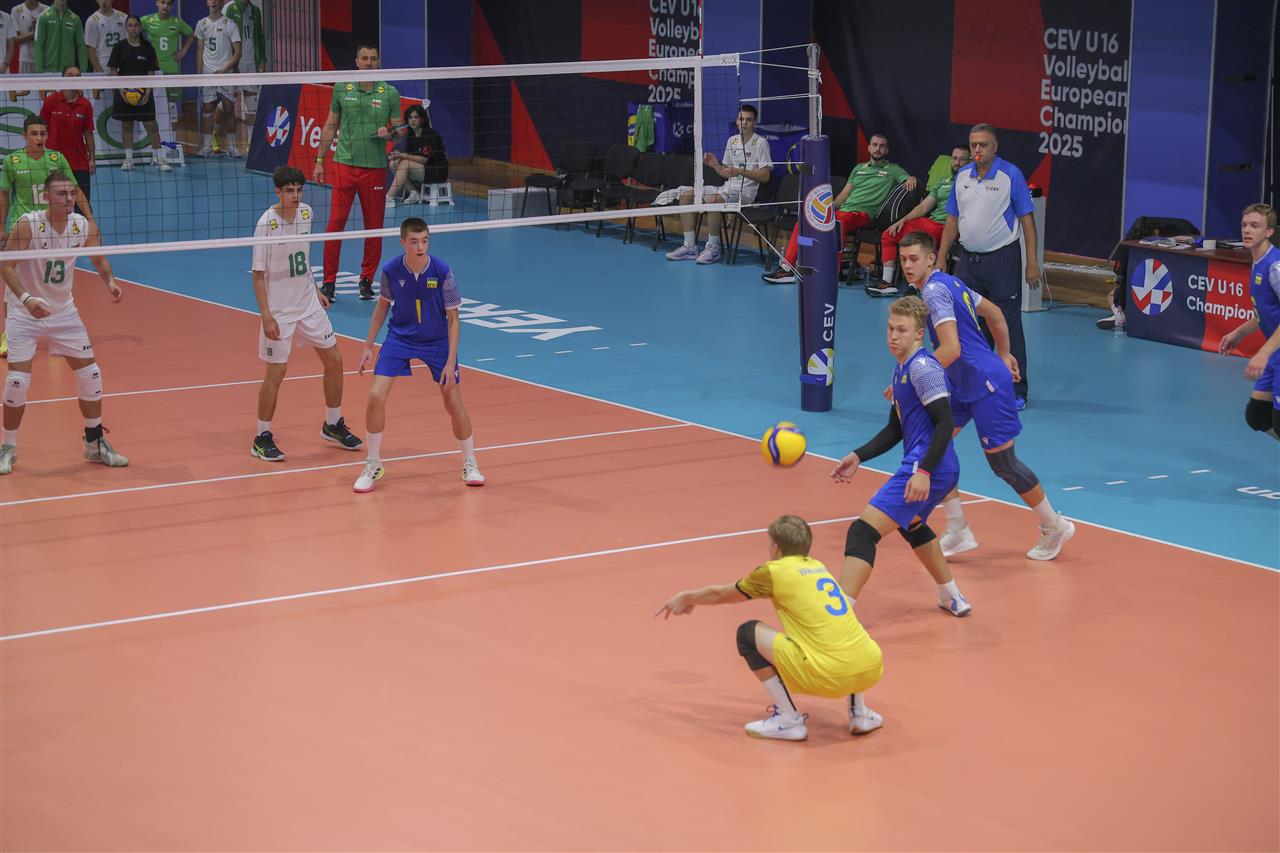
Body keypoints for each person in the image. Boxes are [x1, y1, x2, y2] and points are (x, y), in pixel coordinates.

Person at [901, 230, 1075, 560]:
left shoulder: (935, 292)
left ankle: (1054, 526)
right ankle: (958, 529)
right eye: (903, 260)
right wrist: (1005, 353)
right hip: (960, 383)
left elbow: (950, 349)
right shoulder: (950, 283)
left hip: (985, 384)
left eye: (914, 259)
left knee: (1003, 464)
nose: (907, 266)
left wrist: (910, 376)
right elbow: (994, 312)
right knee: (931, 445)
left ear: (931, 259)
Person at [656, 514, 884, 742]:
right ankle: (860, 713)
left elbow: (722, 594)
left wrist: (687, 597)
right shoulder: (818, 567)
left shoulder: (773, 572)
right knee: (841, 631)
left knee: (747, 633)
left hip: (829, 676)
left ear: (775, 547)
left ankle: (788, 720)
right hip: (871, 667)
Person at [830, 295, 972, 616]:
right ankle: (951, 596)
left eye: (902, 330)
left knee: (862, 532)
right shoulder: (901, 369)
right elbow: (895, 429)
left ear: (920, 334)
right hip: (934, 466)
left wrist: (924, 472)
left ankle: (841, 613)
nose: (893, 336)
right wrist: (858, 456)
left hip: (928, 466)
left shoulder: (923, 368)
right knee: (913, 525)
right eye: (890, 329)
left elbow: (945, 421)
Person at [0, 172, 127, 475]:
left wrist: (109, 281)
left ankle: (94, 443)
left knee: (91, 374)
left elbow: (98, 257)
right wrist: (27, 299)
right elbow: (6, 265)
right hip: (24, 311)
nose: (69, 199)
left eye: (71, 193)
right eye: (61, 194)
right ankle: (7, 447)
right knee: (17, 382)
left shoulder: (81, 225)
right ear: (46, 197)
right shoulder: (28, 224)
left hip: (64, 313)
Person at [353, 218, 484, 493]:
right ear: (403, 242)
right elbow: (382, 308)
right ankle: (373, 463)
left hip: (436, 341)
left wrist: (450, 360)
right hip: (400, 338)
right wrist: (368, 346)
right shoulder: (390, 270)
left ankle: (470, 462)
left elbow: (454, 319)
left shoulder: (442, 270)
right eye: (414, 242)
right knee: (375, 396)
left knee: (452, 400)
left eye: (424, 241)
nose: (420, 247)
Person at [250, 166, 362, 462]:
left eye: (299, 189)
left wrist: (314, 289)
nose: (296, 195)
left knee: (335, 360)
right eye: (289, 191)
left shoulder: (306, 213)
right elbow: (258, 276)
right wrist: (266, 316)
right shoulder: (266, 224)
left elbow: (302, 258)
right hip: (280, 311)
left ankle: (332, 424)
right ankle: (261, 437)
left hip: (308, 304)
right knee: (276, 372)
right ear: (278, 192)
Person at [937, 123, 1039, 409]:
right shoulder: (962, 177)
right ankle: (974, 385)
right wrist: (942, 255)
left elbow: (1027, 221)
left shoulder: (1011, 175)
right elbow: (952, 220)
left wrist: (1032, 262)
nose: (977, 149)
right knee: (970, 326)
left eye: (983, 144)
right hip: (968, 262)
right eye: (973, 145)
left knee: (1008, 326)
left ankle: (1017, 390)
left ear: (995, 147)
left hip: (1003, 261)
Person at [763, 132, 915, 285]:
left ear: (887, 150)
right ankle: (786, 269)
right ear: (869, 148)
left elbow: (909, 179)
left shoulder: (893, 169)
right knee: (803, 223)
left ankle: (831, 275)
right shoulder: (858, 168)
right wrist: (827, 210)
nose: (878, 149)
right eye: (875, 145)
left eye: (882, 146)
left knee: (837, 223)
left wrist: (911, 178)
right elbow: (843, 195)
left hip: (864, 215)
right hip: (843, 211)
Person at [314, 43, 401, 302]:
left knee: (373, 227)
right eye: (365, 58)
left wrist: (390, 133)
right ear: (357, 61)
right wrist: (319, 160)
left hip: (374, 169)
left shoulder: (389, 92)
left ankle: (366, 279)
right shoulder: (342, 87)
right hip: (344, 165)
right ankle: (328, 282)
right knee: (335, 225)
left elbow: (400, 131)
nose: (369, 62)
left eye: (373, 58)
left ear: (379, 62)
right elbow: (330, 126)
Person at [665, 103, 771, 266]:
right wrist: (715, 165)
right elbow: (726, 173)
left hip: (746, 193)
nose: (744, 123)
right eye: (741, 119)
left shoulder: (761, 143)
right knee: (687, 196)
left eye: (748, 120)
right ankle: (690, 246)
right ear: (737, 121)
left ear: (754, 123)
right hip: (727, 188)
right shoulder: (732, 141)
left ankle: (713, 248)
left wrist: (740, 171)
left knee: (714, 200)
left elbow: (765, 176)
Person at [1218, 203, 1280, 441]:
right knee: (1257, 417)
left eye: (1255, 226)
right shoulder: (1257, 262)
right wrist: (1239, 332)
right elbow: (1265, 312)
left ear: (1269, 231)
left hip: (1273, 352)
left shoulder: (1275, 266)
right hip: (1275, 353)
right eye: (1244, 225)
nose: (1247, 230)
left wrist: (1262, 354)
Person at [880, 146, 970, 291]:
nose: (957, 163)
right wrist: (902, 220)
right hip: (929, 223)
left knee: (920, 243)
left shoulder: (972, 184)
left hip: (948, 227)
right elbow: (923, 207)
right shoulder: (943, 182)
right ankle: (886, 282)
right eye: (954, 158)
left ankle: (915, 284)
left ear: (970, 162)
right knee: (889, 233)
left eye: (962, 159)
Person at [107, 16, 171, 173]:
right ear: (126, 28)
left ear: (140, 28)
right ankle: (129, 160)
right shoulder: (119, 47)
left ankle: (159, 158)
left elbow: (151, 72)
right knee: (126, 125)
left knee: (151, 126)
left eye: (136, 25)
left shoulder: (148, 48)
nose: (133, 28)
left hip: (144, 94)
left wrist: (148, 92)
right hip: (124, 94)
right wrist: (121, 90)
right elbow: (113, 69)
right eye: (130, 25)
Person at [39, 67, 95, 208]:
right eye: (70, 75)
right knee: (56, 205)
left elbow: (88, 133)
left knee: (83, 205)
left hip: (79, 162)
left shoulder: (85, 104)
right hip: (54, 162)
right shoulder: (51, 101)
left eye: (77, 75)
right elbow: (40, 129)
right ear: (62, 77)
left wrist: (92, 159)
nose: (73, 78)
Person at [194, 0, 242, 157]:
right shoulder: (201, 24)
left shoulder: (230, 24)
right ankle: (207, 146)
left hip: (225, 74)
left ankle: (233, 147)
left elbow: (238, 52)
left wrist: (225, 68)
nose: (213, 1)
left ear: (221, 2)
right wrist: (199, 74)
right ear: (207, 2)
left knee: (228, 109)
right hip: (208, 74)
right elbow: (200, 49)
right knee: (208, 109)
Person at [139, 0, 194, 128]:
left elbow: (191, 34)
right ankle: (155, 138)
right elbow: (133, 31)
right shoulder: (147, 20)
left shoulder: (177, 22)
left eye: (169, 3)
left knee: (172, 108)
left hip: (171, 70)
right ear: (157, 3)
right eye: (163, 2)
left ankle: (172, 138)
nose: (165, 6)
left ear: (172, 6)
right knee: (153, 106)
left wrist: (183, 52)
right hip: (153, 71)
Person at [222, 0, 265, 152]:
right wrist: (229, 63)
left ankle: (251, 144)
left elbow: (259, 37)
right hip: (232, 64)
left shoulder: (255, 11)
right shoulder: (228, 9)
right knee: (226, 105)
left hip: (250, 64)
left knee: (252, 104)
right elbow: (223, 37)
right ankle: (222, 137)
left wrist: (262, 60)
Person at [387, 103, 448, 206]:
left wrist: (402, 155)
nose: (413, 120)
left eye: (416, 117)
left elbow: (424, 160)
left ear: (422, 119)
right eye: (410, 118)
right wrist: (396, 155)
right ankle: (414, 192)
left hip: (436, 170)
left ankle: (389, 198)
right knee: (393, 163)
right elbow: (407, 154)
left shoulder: (430, 134)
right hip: (421, 168)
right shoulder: (411, 134)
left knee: (405, 163)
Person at [33, 0, 85, 74]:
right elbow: (39, 45)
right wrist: (39, 71)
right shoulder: (43, 17)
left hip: (68, 71)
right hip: (48, 70)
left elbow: (81, 46)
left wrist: (83, 71)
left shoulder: (75, 19)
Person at [84, 0, 126, 76]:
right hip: (102, 63)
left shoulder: (123, 17)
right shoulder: (92, 21)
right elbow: (90, 49)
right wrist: (99, 71)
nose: (104, 1)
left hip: (122, 62)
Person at [11, 1, 49, 76]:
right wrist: (35, 33)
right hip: (25, 59)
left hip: (44, 59)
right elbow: (14, 39)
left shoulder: (47, 10)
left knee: (43, 83)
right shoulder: (16, 10)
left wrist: (38, 29)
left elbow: (51, 37)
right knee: (25, 83)